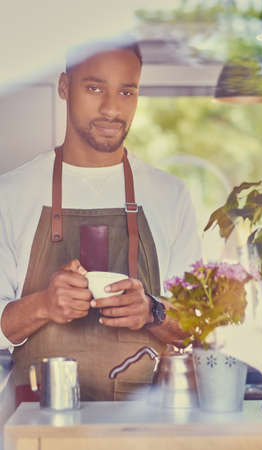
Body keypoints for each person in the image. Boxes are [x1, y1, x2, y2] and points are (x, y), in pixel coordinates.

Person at [0, 37, 202, 402]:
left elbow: (196, 326)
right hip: (39, 424)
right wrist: (45, 304)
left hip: (143, 427)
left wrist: (152, 311)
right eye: (95, 88)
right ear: (64, 87)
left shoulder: (170, 194)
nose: (111, 108)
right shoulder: (10, 193)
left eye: (127, 93)